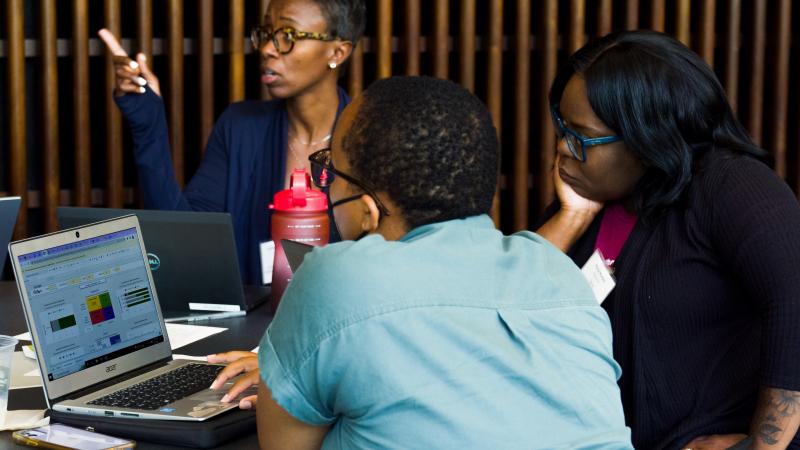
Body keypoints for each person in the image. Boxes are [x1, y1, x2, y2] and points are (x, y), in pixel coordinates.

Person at [216, 76, 632, 449]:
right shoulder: (558, 270)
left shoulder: (334, 275)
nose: (326, 187)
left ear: (368, 209)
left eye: (331, 172)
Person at [536, 30, 800, 450]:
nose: (563, 148)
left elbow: (792, 303)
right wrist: (570, 217)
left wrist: (765, 445)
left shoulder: (733, 186)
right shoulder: (591, 200)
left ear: (645, 137)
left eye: (582, 137)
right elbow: (511, 312)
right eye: (564, 128)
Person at [98, 0, 366, 284]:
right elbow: (184, 243)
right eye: (266, 33)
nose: (266, 49)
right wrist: (147, 123)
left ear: (338, 52)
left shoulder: (369, 141)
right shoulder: (240, 127)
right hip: (249, 328)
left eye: (288, 36)